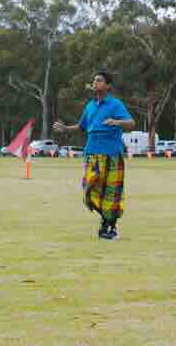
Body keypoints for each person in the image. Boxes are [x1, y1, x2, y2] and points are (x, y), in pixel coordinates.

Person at [54, 71, 134, 239]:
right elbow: (81, 126)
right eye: (94, 80)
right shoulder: (90, 106)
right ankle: (107, 222)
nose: (95, 82)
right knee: (89, 192)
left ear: (108, 86)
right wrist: (65, 128)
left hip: (112, 154)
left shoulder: (115, 104)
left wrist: (116, 122)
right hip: (92, 154)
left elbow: (131, 123)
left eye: (99, 80)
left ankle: (109, 228)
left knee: (111, 193)